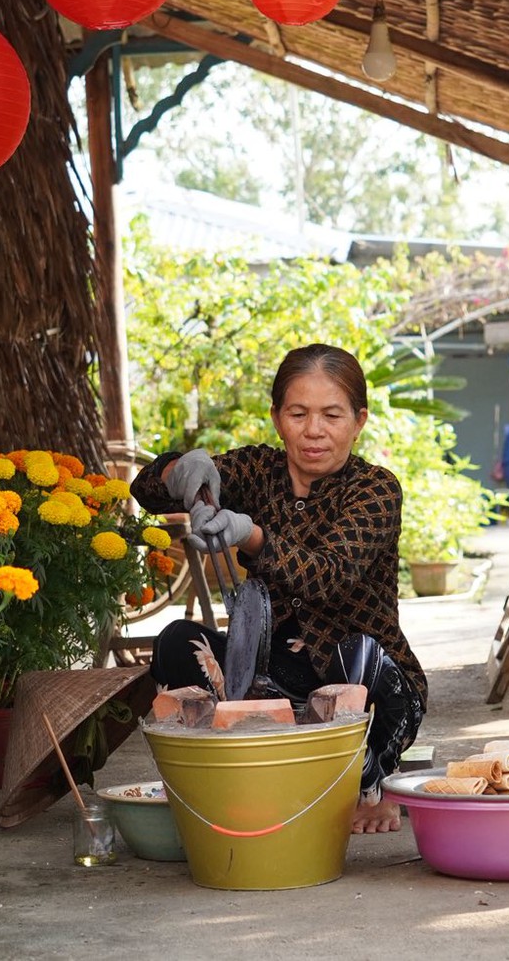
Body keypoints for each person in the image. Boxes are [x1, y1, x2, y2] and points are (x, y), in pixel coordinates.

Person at [131, 344, 428, 835]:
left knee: (361, 656)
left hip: (367, 689)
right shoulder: (258, 470)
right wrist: (182, 472)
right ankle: (231, 775)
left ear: (359, 421)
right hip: (270, 687)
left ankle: (369, 783)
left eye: (332, 415)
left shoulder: (376, 489)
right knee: (176, 641)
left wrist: (250, 535)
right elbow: (147, 489)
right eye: (298, 413)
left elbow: (329, 575)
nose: (314, 430)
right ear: (276, 417)